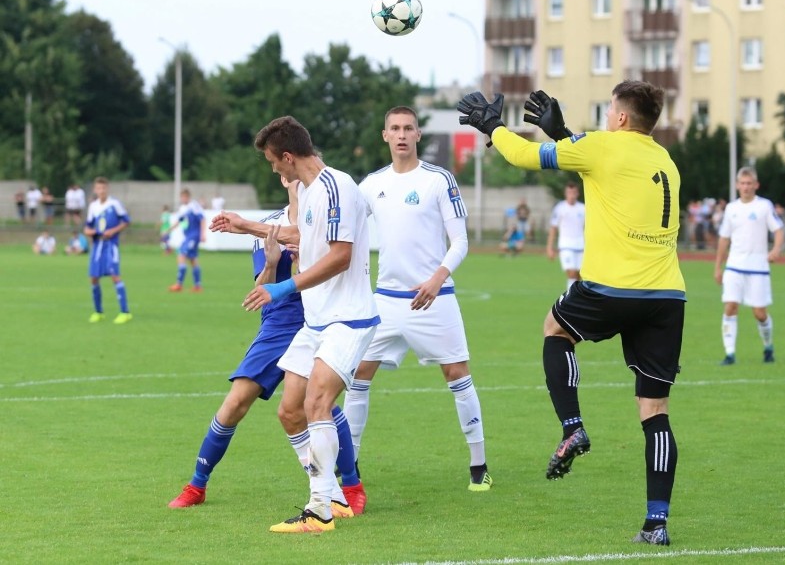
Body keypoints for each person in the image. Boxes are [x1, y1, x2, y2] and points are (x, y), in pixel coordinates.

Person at [458, 82, 685, 546]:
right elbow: (606, 173)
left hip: (611, 287)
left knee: (556, 330)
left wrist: (492, 126)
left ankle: (573, 428)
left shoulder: (601, 146)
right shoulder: (665, 161)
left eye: (609, 112)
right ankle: (656, 524)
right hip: (667, 295)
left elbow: (525, 157)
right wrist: (562, 133)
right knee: (655, 413)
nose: (606, 119)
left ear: (621, 118)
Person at [169, 176, 365, 518]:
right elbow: (261, 289)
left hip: (317, 319)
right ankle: (197, 484)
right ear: (285, 175)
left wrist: (303, 256)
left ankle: (350, 486)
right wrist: (273, 263)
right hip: (277, 326)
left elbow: (337, 270)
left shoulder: (325, 220)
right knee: (235, 403)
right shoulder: (269, 228)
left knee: (321, 404)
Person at [242, 116, 379, 533]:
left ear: (288, 156)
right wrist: (243, 226)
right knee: (289, 411)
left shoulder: (336, 186)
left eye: (273, 162)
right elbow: (300, 236)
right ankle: (334, 497)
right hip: (318, 321)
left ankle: (318, 510)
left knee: (317, 404)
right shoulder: (313, 192)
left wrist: (280, 289)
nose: (274, 171)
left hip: (348, 318)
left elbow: (339, 256)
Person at [343, 106, 491, 492]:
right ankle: (350, 465)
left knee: (457, 375)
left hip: (436, 298)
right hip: (386, 302)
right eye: (395, 128)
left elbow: (460, 241)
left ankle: (479, 466)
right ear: (385, 135)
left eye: (409, 128)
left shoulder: (439, 180)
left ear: (418, 135)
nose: (402, 134)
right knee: (358, 377)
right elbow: (347, 232)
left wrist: (437, 278)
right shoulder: (370, 184)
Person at [714, 167, 784, 365]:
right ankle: (729, 354)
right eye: (742, 183)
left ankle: (768, 347)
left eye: (749, 183)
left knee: (759, 313)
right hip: (734, 266)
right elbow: (723, 239)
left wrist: (776, 249)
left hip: (758, 268)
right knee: (730, 306)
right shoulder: (731, 209)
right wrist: (718, 267)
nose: (745, 187)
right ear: (737, 185)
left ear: (756, 185)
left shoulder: (764, 206)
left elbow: (778, 230)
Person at [83, 176, 132, 324]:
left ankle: (125, 312)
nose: (101, 191)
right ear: (95, 190)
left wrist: (113, 231)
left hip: (111, 245)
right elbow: (87, 226)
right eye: (98, 188)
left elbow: (126, 221)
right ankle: (98, 312)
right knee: (93, 278)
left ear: (107, 189)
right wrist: (88, 232)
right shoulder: (93, 206)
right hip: (97, 245)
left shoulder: (114, 204)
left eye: (103, 188)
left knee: (115, 276)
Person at [547, 182, 585, 293]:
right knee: (571, 273)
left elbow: (588, 228)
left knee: (578, 276)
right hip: (566, 246)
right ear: (565, 193)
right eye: (569, 192)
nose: (571, 195)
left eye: (574, 192)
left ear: (577, 193)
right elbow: (553, 228)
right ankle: (570, 300)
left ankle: (577, 299)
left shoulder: (583, 209)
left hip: (581, 246)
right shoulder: (560, 208)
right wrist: (550, 247)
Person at [165, 189, 205, 291]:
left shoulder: (193, 206)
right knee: (192, 259)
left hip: (193, 236)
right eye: (181, 197)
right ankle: (198, 285)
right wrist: (169, 230)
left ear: (187, 197)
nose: (182, 199)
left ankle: (179, 284)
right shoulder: (184, 208)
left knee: (181, 254)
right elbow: (179, 220)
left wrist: (203, 234)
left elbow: (202, 219)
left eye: (183, 197)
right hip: (188, 236)